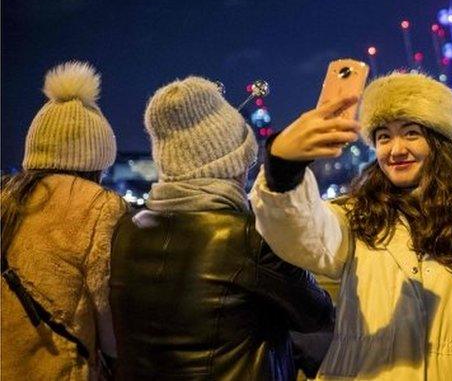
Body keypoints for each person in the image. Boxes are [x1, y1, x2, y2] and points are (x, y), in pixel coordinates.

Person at [250, 71, 452, 380]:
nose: (396, 150)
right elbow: (302, 233)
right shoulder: (356, 217)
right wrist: (284, 167)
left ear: (440, 142)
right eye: (384, 136)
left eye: (411, 133)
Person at [110, 76, 333, 380]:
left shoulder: (127, 230)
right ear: (230, 166)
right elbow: (317, 314)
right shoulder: (247, 235)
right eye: (246, 164)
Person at [1, 61, 127, 380]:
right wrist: (116, 358)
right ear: (97, 158)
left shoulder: (7, 197)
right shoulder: (98, 205)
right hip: (58, 368)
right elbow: (107, 303)